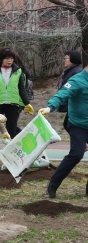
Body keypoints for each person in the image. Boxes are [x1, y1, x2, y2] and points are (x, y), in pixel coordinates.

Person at [39, 62, 88, 197]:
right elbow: (62, 94)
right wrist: (50, 107)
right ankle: (53, 184)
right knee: (76, 154)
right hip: (79, 125)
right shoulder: (77, 80)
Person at [0, 48, 34, 158]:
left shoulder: (18, 71)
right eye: (7, 58)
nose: (10, 61)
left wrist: (27, 103)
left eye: (11, 58)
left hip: (13, 103)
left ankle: (11, 152)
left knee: (11, 127)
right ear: (2, 59)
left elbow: (22, 88)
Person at [54, 49, 83, 132]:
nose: (64, 60)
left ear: (73, 59)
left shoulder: (76, 72)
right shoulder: (71, 71)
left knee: (69, 125)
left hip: (76, 104)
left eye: (66, 58)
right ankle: (81, 143)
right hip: (73, 104)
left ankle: (81, 143)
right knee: (68, 125)